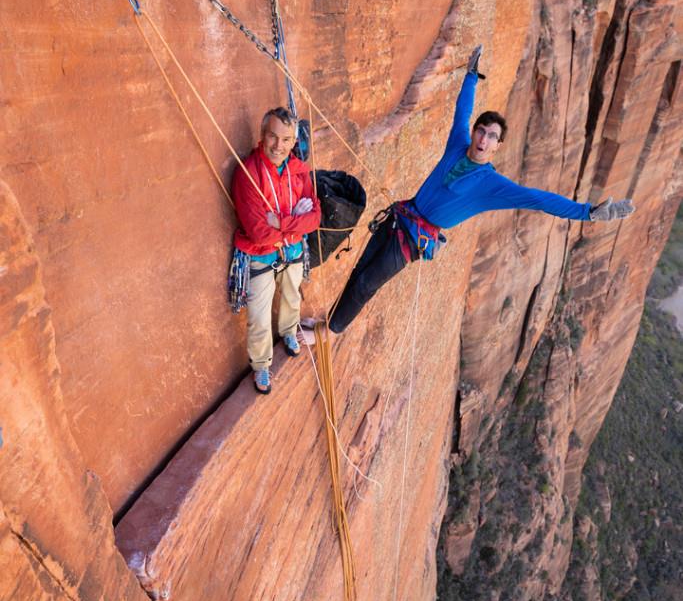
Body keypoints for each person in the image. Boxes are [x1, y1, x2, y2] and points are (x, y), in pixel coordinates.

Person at [328, 46, 635, 334]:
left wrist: (588, 213)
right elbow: (462, 111)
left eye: (491, 137)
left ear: (498, 146)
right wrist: (471, 76)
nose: (484, 140)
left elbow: (538, 199)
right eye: (481, 132)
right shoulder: (458, 145)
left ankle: (330, 330)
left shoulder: (492, 185)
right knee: (359, 271)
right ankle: (326, 321)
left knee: (367, 284)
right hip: (400, 217)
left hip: (411, 239)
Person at [231, 107, 321, 394]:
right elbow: (258, 232)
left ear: (294, 142)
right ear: (262, 135)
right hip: (260, 254)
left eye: (286, 139)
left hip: (290, 250)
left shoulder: (298, 170)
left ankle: (289, 331)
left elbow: (315, 218)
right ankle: (261, 364)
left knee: (292, 297)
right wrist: (296, 222)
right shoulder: (248, 173)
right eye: (272, 136)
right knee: (258, 317)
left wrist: (282, 223)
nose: (278, 145)